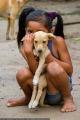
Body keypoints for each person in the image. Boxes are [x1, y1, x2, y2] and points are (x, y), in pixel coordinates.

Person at [7, 7, 76, 112]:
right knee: (22, 73)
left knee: (52, 67)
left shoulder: (57, 41)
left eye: (39, 31)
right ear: (25, 30)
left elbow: (69, 70)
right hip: (41, 91)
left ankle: (68, 98)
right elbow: (36, 72)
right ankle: (29, 98)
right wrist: (29, 53)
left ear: (50, 31)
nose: (35, 35)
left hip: (57, 91)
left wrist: (49, 58)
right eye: (30, 31)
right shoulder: (25, 46)